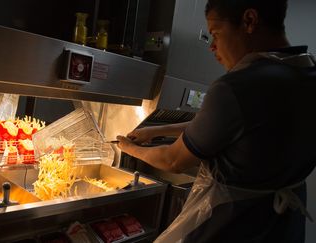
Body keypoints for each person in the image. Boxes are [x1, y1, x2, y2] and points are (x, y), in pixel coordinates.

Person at [116, 0, 316, 242]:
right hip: (283, 228)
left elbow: (173, 160)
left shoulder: (239, 86)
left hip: (231, 226)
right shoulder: (305, 74)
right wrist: (156, 131)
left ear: (249, 21)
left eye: (215, 33)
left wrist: (130, 148)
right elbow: (232, 127)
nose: (212, 47)